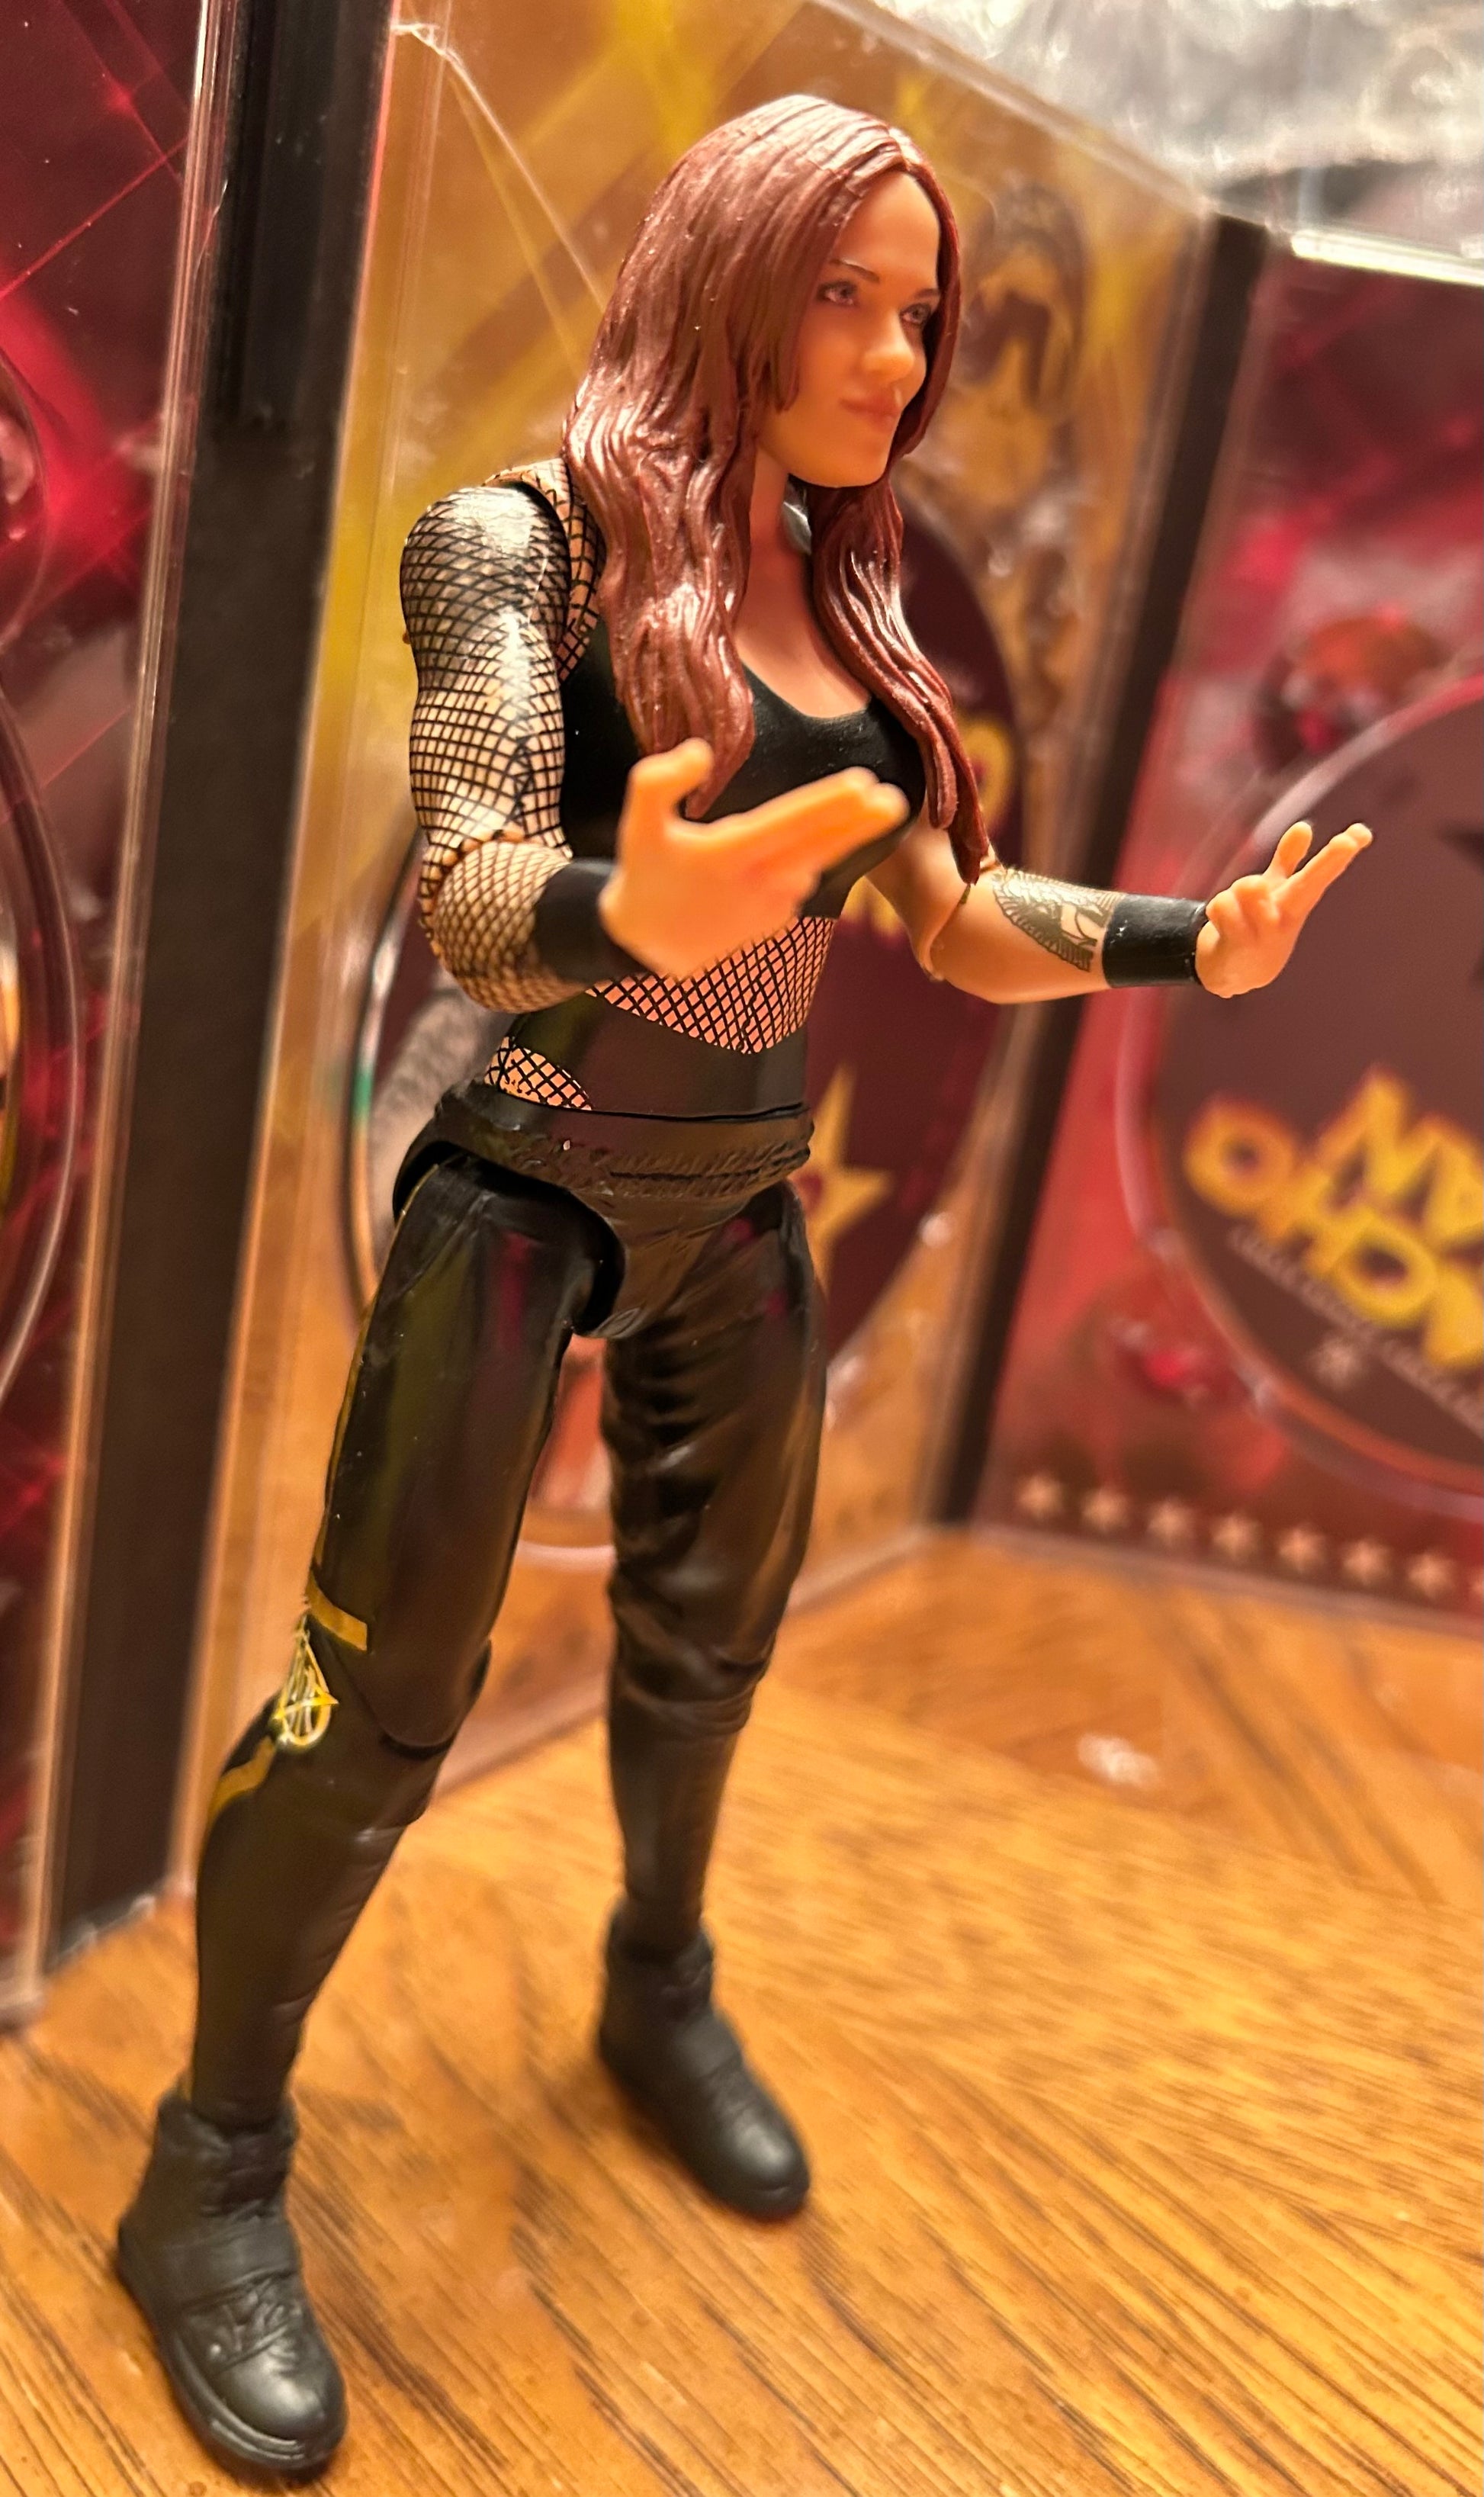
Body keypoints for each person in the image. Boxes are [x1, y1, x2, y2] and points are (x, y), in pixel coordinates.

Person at [115, 95, 1369, 2479]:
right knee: (374, 1707)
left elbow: (951, 921)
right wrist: (630, 907)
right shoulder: (518, 547)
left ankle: (656, 1980)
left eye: (922, 312)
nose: (895, 355)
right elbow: (470, 888)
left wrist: (1181, 943)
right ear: (724, 275)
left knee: (710, 1646)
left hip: (744, 1197)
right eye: (843, 295)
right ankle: (208, 2159)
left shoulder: (845, 593)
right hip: (526, 1178)